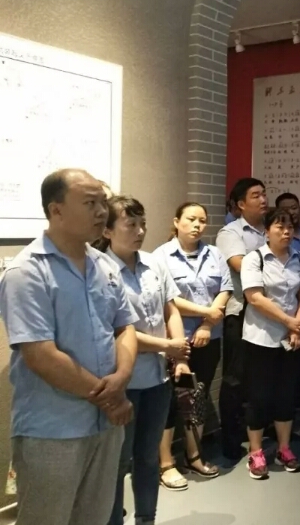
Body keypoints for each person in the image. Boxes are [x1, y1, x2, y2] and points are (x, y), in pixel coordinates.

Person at [0, 169, 137, 525]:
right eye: (90, 203)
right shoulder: (27, 272)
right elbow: (40, 356)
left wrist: (122, 375)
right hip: (52, 429)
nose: (102, 212)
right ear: (56, 210)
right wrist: (111, 398)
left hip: (106, 425)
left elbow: (125, 328)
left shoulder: (105, 266)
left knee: (95, 517)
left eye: (103, 202)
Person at [97, 196, 189, 525]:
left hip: (157, 379)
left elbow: (171, 309)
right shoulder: (99, 270)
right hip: (122, 381)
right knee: (117, 463)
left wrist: (179, 354)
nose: (140, 231)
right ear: (107, 231)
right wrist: (169, 345)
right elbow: (118, 331)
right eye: (131, 224)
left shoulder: (154, 263)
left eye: (143, 224)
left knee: (149, 458)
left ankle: (146, 519)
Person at [154, 202, 233, 490]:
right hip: (175, 341)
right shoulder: (160, 256)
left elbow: (225, 289)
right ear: (177, 221)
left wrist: (207, 325)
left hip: (208, 338)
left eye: (202, 220)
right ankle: (165, 463)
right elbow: (168, 299)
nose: (197, 225)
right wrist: (206, 313)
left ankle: (194, 455)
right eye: (191, 219)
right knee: (170, 402)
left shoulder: (214, 254)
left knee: (197, 397)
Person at [241, 209, 300, 478]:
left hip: (293, 338)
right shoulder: (255, 259)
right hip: (261, 338)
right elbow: (255, 298)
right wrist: (288, 321)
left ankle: (284, 448)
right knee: (259, 396)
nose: (286, 232)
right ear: (267, 231)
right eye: (279, 227)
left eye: (290, 227)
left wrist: (297, 326)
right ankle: (256, 452)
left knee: (286, 394)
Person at [215, 178, 268, 461]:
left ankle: (259, 431)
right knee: (235, 378)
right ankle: (231, 439)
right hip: (241, 311)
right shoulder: (230, 233)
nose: (263, 199)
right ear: (241, 204)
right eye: (255, 195)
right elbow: (240, 265)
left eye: (264, 194)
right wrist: (275, 268)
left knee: (263, 375)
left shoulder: (272, 229)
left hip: (270, 311)